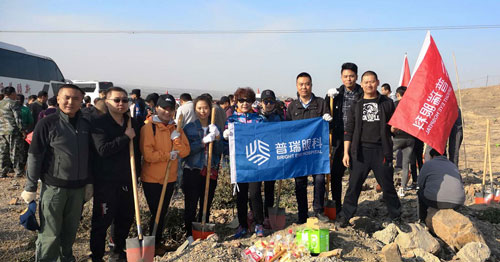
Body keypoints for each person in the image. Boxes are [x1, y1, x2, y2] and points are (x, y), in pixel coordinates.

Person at [20, 84, 92, 262]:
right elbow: (34, 156)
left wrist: (90, 182)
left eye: (76, 98)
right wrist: (30, 187)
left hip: (78, 190)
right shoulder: (47, 123)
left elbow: (90, 156)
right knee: (50, 234)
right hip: (54, 189)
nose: (70, 102)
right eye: (66, 97)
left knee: (69, 233)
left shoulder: (86, 124)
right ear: (58, 99)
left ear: (81, 101)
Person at [338, 71, 401, 227]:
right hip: (360, 152)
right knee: (354, 185)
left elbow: (394, 127)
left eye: (372, 81)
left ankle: (396, 216)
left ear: (377, 82)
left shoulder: (386, 103)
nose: (369, 85)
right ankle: (345, 216)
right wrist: (346, 152)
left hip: (381, 150)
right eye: (366, 82)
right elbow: (349, 130)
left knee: (387, 186)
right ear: (362, 84)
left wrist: (395, 129)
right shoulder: (356, 104)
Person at [89, 86, 142, 262]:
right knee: (102, 220)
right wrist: (125, 137)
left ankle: (117, 251)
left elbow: (138, 151)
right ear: (107, 101)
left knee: (125, 217)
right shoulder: (99, 123)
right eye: (116, 100)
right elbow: (102, 150)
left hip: (128, 179)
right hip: (106, 181)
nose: (121, 104)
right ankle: (97, 256)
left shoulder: (132, 122)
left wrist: (138, 174)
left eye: (125, 100)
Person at [140, 94, 190, 255]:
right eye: (164, 109)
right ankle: (149, 245)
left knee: (162, 213)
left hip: (170, 178)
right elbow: (148, 154)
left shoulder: (177, 128)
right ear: (156, 108)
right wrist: (168, 155)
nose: (167, 112)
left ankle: (156, 244)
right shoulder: (149, 127)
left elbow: (185, 151)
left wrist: (177, 140)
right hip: (152, 179)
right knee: (156, 212)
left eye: (170, 109)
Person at [286, 72, 332, 224]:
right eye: (301, 84)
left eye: (307, 84)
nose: (304, 87)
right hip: (299, 153)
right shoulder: (292, 106)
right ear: (297, 86)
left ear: (311, 85)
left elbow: (328, 122)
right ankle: (302, 213)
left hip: (317, 151)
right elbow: (287, 128)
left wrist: (327, 119)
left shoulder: (320, 103)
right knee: (300, 183)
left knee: (319, 180)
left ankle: (318, 210)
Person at [223, 88, 265, 237]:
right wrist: (225, 135)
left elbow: (267, 136)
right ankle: (242, 225)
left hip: (255, 162)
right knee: (241, 195)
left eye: (248, 100)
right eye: (241, 100)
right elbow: (224, 141)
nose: (245, 103)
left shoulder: (259, 119)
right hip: (239, 164)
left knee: (254, 194)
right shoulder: (231, 120)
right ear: (236, 101)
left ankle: (259, 223)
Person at [183, 95, 223, 242]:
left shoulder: (215, 127)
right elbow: (186, 151)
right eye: (199, 108)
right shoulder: (189, 128)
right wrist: (202, 142)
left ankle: (203, 230)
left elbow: (219, 151)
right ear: (195, 109)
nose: (203, 111)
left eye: (205, 108)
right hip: (193, 170)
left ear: (210, 109)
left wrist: (217, 138)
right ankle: (189, 234)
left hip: (210, 170)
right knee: (191, 204)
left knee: (206, 201)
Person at [325, 62, 363, 214]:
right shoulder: (335, 95)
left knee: (355, 175)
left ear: (356, 77)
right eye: (346, 76)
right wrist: (328, 101)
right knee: (336, 175)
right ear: (341, 77)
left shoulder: (362, 94)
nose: (349, 79)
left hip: (358, 138)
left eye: (352, 76)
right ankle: (337, 206)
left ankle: (350, 207)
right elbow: (326, 112)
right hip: (338, 139)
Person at [257, 89, 282, 229]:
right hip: (258, 157)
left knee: (269, 188)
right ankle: (256, 214)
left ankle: (268, 215)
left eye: (271, 101)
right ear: (261, 103)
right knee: (255, 189)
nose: (268, 104)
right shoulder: (255, 118)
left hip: (273, 158)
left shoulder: (278, 117)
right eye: (266, 101)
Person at [417, 149, 465, 221]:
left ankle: (423, 220)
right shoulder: (453, 165)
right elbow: (460, 182)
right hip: (457, 202)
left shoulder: (428, 164)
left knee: (420, 192)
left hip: (437, 202)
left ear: (432, 156)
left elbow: (420, 184)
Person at [391, 86, 416, 196]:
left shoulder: (395, 104)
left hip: (398, 137)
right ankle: (403, 188)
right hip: (410, 138)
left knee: (386, 159)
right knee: (406, 165)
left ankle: (387, 184)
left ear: (397, 94)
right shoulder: (413, 106)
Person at [0, 86, 23, 177]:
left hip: (1, 131)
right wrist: (22, 130)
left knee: (3, 152)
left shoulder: (0, 103)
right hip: (12, 131)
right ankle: (18, 172)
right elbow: (18, 118)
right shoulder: (14, 103)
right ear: (12, 93)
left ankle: (2, 171)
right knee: (15, 151)